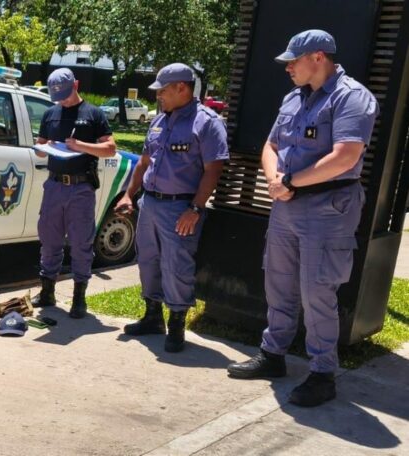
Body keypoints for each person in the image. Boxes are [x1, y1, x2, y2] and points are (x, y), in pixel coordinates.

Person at [227, 30, 378, 407]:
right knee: (278, 284)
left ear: (318, 57)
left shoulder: (351, 98)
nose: (287, 67)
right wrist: (274, 180)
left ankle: (323, 373)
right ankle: (273, 355)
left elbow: (345, 157)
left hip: (328, 209)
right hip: (286, 204)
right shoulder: (293, 98)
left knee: (317, 292)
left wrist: (290, 180)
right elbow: (272, 145)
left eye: (293, 60)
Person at [116, 63, 228, 352]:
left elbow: (213, 169)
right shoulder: (159, 121)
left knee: (177, 265)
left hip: (180, 207)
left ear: (182, 88)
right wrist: (129, 194)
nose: (158, 96)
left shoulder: (206, 122)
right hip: (150, 203)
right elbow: (144, 161)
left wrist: (195, 208)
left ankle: (176, 323)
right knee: (148, 260)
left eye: (163, 90)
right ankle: (153, 316)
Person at [31, 68, 116, 319]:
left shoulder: (94, 114)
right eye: (57, 95)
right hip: (54, 185)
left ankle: (79, 297)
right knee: (49, 239)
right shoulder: (50, 113)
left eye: (66, 94)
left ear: (76, 85)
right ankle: (47, 291)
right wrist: (43, 148)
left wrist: (80, 146)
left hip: (81, 188)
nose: (62, 99)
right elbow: (40, 149)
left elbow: (110, 149)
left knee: (81, 243)